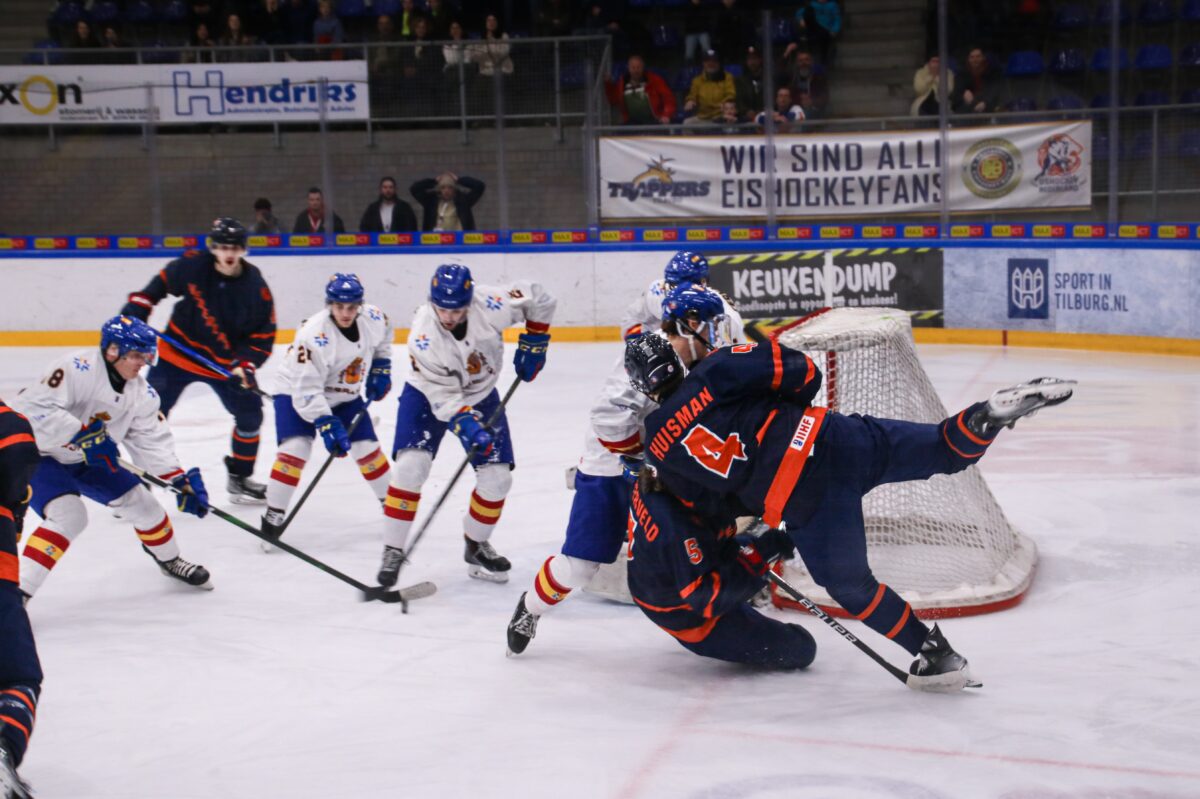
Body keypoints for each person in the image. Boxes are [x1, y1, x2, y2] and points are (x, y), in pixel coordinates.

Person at [622, 328, 1075, 690]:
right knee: (944, 449)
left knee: (852, 586)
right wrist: (780, 414)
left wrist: (760, 539)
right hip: (830, 437)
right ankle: (986, 415)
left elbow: (714, 504)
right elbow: (804, 372)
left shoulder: (659, 447)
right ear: (677, 359)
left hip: (804, 498)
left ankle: (936, 654)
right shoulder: (719, 366)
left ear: (642, 384)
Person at [506, 283, 731, 656]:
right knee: (579, 567)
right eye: (709, 325)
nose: (715, 333)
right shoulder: (652, 354)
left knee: (700, 536)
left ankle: (725, 604)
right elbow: (607, 418)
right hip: (609, 469)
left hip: (661, 464)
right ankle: (529, 607)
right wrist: (634, 460)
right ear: (690, 324)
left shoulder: (700, 354)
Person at [377, 264, 556, 587]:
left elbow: (540, 298)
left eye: (456, 310)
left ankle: (475, 545)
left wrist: (536, 339)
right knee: (410, 468)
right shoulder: (423, 335)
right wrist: (467, 425)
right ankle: (393, 548)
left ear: (469, 301)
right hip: (427, 394)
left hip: (481, 393)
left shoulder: (492, 304)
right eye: (442, 309)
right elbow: (443, 399)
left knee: (498, 478)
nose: (448, 317)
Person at [10, 316, 214, 600]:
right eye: (135, 355)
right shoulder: (75, 368)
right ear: (111, 351)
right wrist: (79, 433)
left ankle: (169, 561)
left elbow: (150, 438)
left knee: (147, 508)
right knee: (69, 516)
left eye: (145, 355)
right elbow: (32, 410)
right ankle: (18, 593)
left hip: (87, 459)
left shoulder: (142, 394)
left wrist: (176, 479)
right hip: (41, 454)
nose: (141, 362)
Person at [119, 217, 276, 505]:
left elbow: (263, 334)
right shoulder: (193, 265)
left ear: (243, 250)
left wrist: (246, 365)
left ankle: (239, 478)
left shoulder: (255, 286)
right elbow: (159, 285)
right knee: (150, 415)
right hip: (176, 355)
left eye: (235, 248)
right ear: (213, 247)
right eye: (223, 247)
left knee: (251, 414)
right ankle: (141, 484)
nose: (229, 254)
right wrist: (139, 307)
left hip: (224, 365)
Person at [261, 274, 394, 543]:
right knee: (295, 448)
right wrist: (326, 423)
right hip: (296, 391)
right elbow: (306, 390)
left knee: (367, 448)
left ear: (359, 305)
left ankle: (392, 507)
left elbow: (385, 336)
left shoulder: (374, 317)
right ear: (329, 304)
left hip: (345, 393)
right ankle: (274, 513)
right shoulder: (314, 335)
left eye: (351, 307)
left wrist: (381, 365)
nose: (345, 313)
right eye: (339, 307)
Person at [0, 399, 41, 799]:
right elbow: (18, 453)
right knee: (18, 677)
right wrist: (13, 509)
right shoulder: (8, 420)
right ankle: (2, 751)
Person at [619, 250, 744, 345]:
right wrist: (641, 345)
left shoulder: (724, 312)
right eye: (673, 285)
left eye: (684, 286)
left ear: (703, 283)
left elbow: (735, 355)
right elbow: (631, 320)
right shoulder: (657, 292)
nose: (677, 292)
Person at [605, 55, 676, 126]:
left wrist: (667, 114)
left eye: (638, 67)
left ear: (643, 68)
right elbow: (613, 100)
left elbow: (668, 98)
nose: (636, 70)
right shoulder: (622, 83)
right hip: (631, 122)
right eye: (633, 68)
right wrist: (609, 85)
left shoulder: (655, 80)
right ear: (629, 68)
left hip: (654, 120)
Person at [410, 172, 486, 232]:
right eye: (443, 188)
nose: (446, 191)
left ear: (454, 189)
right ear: (439, 189)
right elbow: (414, 189)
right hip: (435, 241)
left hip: (458, 241)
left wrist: (459, 180)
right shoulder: (431, 201)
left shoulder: (463, 201)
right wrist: (433, 181)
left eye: (450, 187)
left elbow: (479, 186)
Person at [683, 50, 736, 126]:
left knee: (730, 121)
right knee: (687, 124)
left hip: (721, 116)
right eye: (707, 61)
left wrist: (725, 103)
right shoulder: (697, 80)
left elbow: (731, 94)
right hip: (703, 117)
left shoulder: (727, 77)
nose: (710, 63)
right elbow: (692, 95)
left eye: (714, 61)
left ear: (719, 63)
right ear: (703, 63)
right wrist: (690, 100)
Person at [953, 47, 1000, 114]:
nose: (975, 60)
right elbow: (956, 95)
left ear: (983, 58)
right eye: (972, 57)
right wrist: (963, 94)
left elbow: (994, 92)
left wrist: (985, 102)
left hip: (987, 106)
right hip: (967, 108)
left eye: (978, 56)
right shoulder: (961, 74)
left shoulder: (992, 73)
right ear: (968, 59)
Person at [734, 46, 766, 122]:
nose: (752, 62)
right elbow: (738, 99)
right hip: (745, 118)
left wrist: (763, 111)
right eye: (749, 59)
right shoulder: (740, 80)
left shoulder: (769, 79)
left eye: (755, 58)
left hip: (766, 117)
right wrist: (746, 111)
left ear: (760, 60)